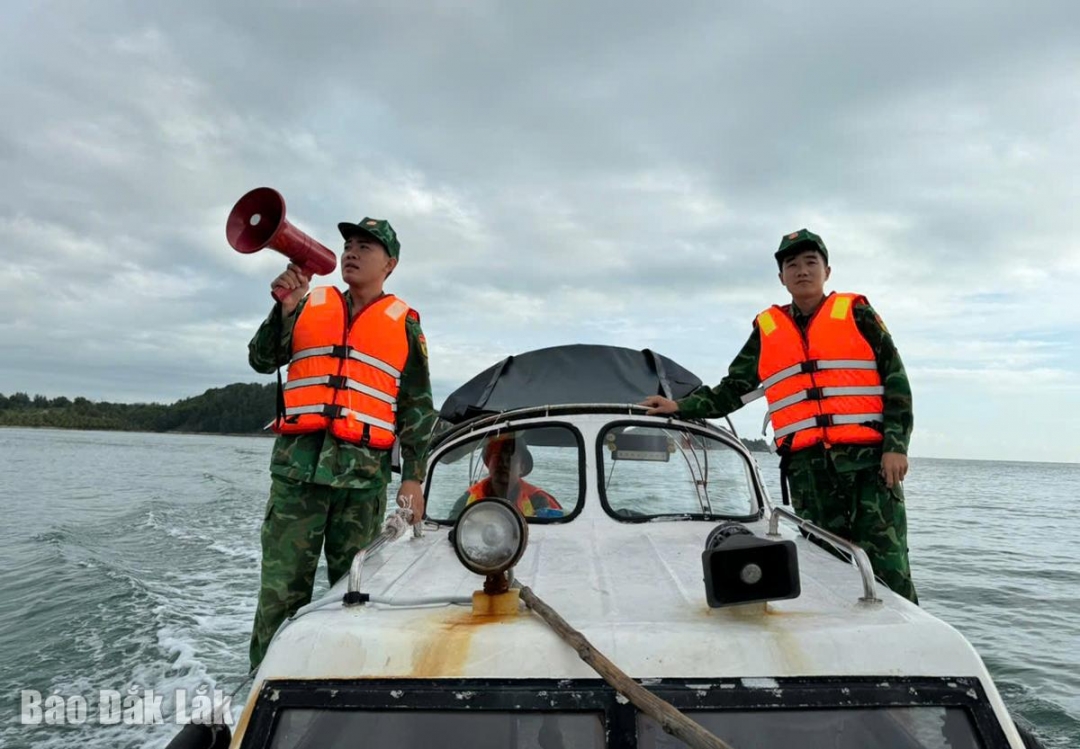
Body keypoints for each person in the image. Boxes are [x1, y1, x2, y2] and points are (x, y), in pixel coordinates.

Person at [641, 229, 917, 604]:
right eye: (792, 265)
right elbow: (733, 388)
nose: (802, 271)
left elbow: (896, 381)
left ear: (827, 270)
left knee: (889, 567)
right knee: (825, 563)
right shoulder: (768, 330)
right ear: (781, 277)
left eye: (810, 262)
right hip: (809, 473)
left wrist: (895, 446)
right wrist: (682, 406)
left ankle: (907, 642)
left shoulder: (858, 313)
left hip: (869, 466)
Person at [246, 216, 437, 670]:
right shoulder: (307, 304)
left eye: (366, 247)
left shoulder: (405, 324)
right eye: (349, 243)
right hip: (297, 480)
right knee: (280, 595)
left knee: (354, 594)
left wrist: (414, 479)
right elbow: (261, 359)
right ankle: (261, 690)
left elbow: (416, 406)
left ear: (389, 264)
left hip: (362, 486)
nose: (352, 251)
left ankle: (343, 686)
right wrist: (284, 309)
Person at [450, 435, 562, 519]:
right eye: (497, 457)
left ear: (522, 467)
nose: (503, 463)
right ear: (489, 463)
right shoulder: (468, 499)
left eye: (510, 459)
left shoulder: (538, 500)